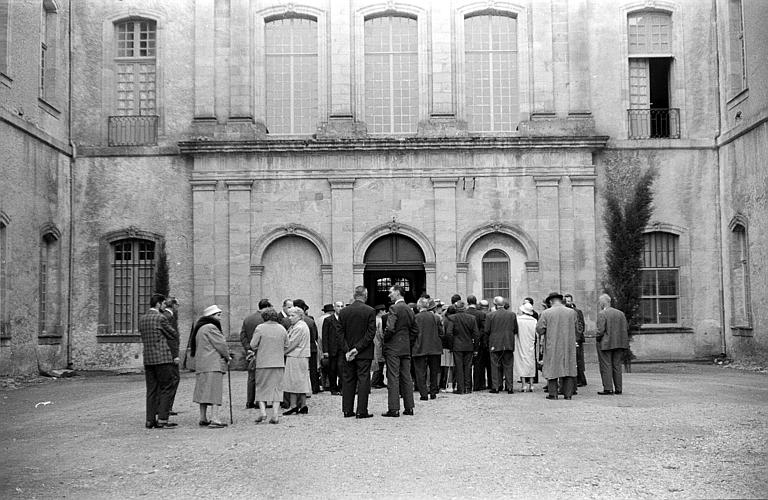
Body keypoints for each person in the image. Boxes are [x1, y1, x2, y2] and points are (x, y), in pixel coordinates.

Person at [139, 293, 178, 429]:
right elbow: (173, 333)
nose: (164, 306)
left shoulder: (142, 319)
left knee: (151, 390)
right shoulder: (160, 318)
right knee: (167, 387)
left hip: (148, 359)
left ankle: (150, 420)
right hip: (162, 358)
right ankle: (162, 419)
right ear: (158, 304)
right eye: (163, 304)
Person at [336, 285, 377, 418]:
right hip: (363, 352)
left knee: (348, 379)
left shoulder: (343, 312)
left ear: (354, 296)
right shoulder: (370, 311)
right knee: (364, 380)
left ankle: (347, 410)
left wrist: (348, 350)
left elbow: (339, 333)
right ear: (365, 295)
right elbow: (370, 334)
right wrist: (357, 349)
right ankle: (361, 410)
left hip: (348, 353)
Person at [191, 305, 231, 428]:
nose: (220, 318)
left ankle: (203, 417)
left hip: (202, 364)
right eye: (218, 315)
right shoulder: (211, 328)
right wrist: (228, 356)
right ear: (211, 316)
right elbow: (221, 344)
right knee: (214, 391)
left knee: (202, 392)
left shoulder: (200, 328)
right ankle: (215, 418)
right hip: (212, 364)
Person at [382, 284, 418, 417]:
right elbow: (415, 330)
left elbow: (390, 328)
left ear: (397, 292)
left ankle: (394, 408)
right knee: (406, 377)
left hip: (393, 348)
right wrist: (408, 342)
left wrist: (387, 340)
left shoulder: (394, 308)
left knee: (393, 377)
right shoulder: (409, 309)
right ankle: (409, 407)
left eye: (391, 292)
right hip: (405, 348)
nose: (389, 295)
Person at [536, 293, 578, 400]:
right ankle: (568, 394)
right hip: (568, 344)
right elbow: (576, 327)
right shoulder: (571, 312)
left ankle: (553, 394)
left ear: (550, 301)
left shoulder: (546, 313)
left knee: (552, 368)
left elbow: (540, 329)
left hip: (552, 344)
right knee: (568, 368)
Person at [250, 307, 288, 424]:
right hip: (278, 362)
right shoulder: (282, 328)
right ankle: (275, 414)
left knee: (261, 387)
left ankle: (263, 412)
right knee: (277, 388)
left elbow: (253, 344)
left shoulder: (260, 328)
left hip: (263, 362)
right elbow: (287, 345)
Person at [240, 298, 270, 409]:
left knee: (251, 377)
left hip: (251, 352)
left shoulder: (248, 319)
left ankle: (249, 401)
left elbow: (242, 335)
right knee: (263, 377)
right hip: (264, 352)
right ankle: (260, 401)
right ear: (267, 307)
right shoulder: (267, 319)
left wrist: (248, 349)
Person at [596, 293, 629, 395]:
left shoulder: (602, 313)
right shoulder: (620, 313)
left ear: (602, 303)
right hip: (619, 343)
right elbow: (625, 328)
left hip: (606, 343)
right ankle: (618, 388)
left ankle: (608, 388)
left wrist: (597, 338)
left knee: (606, 365)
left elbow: (600, 330)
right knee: (617, 366)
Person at [281, 306, 312, 415]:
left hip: (296, 356)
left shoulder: (299, 327)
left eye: (292, 315)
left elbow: (291, 343)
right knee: (300, 381)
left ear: (300, 316)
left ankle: (294, 405)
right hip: (300, 356)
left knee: (293, 381)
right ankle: (303, 405)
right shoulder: (299, 325)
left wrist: (281, 353)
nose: (290, 318)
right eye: (289, 315)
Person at [484, 296, 518, 394]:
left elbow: (486, 330)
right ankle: (509, 386)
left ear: (495, 304)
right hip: (508, 342)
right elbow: (515, 329)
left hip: (495, 343)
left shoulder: (490, 316)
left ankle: (496, 386)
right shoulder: (512, 315)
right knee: (508, 365)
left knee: (495, 365)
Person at [446, 300, 479, 395]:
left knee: (459, 367)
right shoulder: (472, 318)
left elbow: (449, 333)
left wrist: (451, 345)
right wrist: (476, 348)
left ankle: (460, 388)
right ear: (465, 308)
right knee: (468, 367)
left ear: (456, 308)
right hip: (469, 345)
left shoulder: (452, 318)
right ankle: (468, 388)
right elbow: (476, 334)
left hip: (457, 345)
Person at [413, 298, 444, 401]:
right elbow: (441, 333)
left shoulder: (415, 318)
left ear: (418, 307)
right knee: (434, 371)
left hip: (420, 347)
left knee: (420, 372)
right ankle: (433, 392)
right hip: (434, 347)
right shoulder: (436, 318)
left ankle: (424, 393)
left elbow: (413, 334)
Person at [294, 299, 320, 394]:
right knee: (313, 369)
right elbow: (315, 335)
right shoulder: (310, 320)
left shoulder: (297, 322)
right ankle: (314, 387)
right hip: (311, 346)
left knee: (302, 369)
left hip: (301, 348)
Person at [160, 296, 180, 416]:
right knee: (173, 379)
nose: (178, 308)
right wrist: (175, 355)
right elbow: (171, 338)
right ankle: (167, 407)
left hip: (166, 353)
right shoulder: (169, 317)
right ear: (173, 305)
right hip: (170, 354)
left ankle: (164, 406)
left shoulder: (166, 316)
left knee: (169, 380)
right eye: (177, 305)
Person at [465, 295, 488, 391]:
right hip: (479, 342)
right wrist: (479, 336)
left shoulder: (465, 313)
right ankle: (478, 385)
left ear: (467, 302)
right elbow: (484, 328)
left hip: (467, 340)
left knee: (467, 364)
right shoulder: (481, 314)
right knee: (479, 364)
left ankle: (468, 385)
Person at [322, 301, 345, 395]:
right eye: (338, 306)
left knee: (342, 368)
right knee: (332, 369)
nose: (340, 308)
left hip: (342, 348)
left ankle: (342, 388)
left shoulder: (345, 319)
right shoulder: (328, 320)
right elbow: (325, 336)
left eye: (342, 306)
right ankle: (333, 388)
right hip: (332, 349)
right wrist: (325, 350)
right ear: (334, 308)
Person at [564, 293, 587, 388]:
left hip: (576, 339)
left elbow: (581, 326)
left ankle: (581, 379)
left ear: (572, 301)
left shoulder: (577, 312)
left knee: (578, 360)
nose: (567, 303)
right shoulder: (565, 312)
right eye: (566, 301)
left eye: (569, 301)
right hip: (569, 339)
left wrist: (577, 338)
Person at [514, 301, 537, 392]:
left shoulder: (518, 320)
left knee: (521, 361)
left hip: (521, 341)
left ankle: (524, 384)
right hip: (530, 342)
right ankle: (531, 384)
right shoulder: (534, 321)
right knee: (531, 361)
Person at [370, 304, 387, 389]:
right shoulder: (380, 320)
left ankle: (379, 380)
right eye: (384, 310)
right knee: (380, 362)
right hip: (379, 343)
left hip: (373, 342)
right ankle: (375, 381)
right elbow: (381, 334)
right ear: (381, 311)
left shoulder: (373, 319)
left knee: (378, 361)